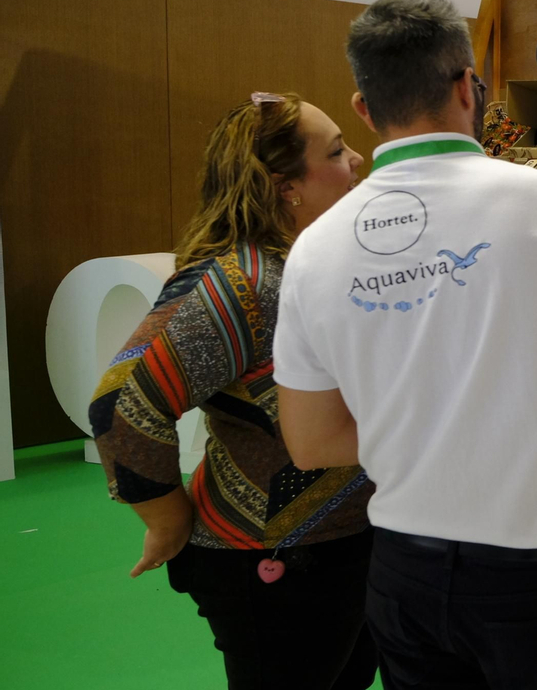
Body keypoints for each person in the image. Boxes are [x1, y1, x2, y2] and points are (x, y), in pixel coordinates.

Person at [273, 0, 537, 690]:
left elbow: (312, 440)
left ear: (362, 105)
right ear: (465, 86)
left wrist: (425, 424)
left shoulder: (315, 252)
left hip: (403, 577)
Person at [89, 93, 377, 690]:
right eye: (335, 150)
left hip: (339, 549)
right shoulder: (241, 284)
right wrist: (168, 522)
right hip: (277, 563)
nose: (357, 159)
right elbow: (121, 406)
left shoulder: (304, 265)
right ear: (286, 187)